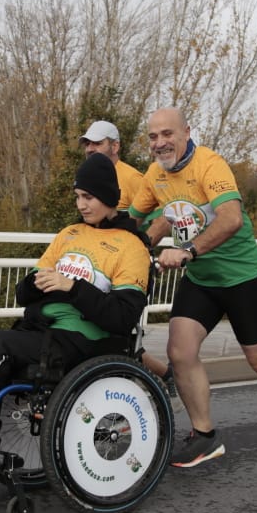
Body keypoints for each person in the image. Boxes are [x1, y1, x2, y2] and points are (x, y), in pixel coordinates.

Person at [0, 153, 152, 494]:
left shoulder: (131, 247)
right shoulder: (69, 234)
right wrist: (37, 283)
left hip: (82, 341)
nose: (81, 204)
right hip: (42, 331)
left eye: (88, 197)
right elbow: (24, 291)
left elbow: (122, 318)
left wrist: (72, 286)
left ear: (108, 197)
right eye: (78, 197)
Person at [131, 106, 257, 468]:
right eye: (153, 137)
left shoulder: (209, 165)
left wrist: (186, 251)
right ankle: (204, 436)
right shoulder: (155, 175)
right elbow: (139, 222)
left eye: (167, 134)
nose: (160, 143)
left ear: (186, 132)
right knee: (180, 352)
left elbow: (230, 219)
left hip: (243, 278)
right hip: (202, 280)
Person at [79, 118, 171, 384]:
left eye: (97, 143)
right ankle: (164, 375)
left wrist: (138, 247)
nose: (90, 148)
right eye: (87, 143)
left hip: (121, 265)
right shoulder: (91, 174)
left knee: (115, 335)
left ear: (115, 146)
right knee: (96, 330)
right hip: (94, 263)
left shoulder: (132, 178)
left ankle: (153, 382)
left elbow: (163, 217)